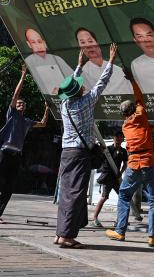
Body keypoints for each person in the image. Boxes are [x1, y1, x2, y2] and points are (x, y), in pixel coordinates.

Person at [55, 44, 117, 249]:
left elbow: (70, 88)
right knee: (75, 193)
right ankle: (67, 237)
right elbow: (102, 83)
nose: (84, 86)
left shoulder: (65, 106)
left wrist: (79, 66)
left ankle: (60, 233)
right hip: (80, 154)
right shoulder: (86, 102)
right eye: (80, 85)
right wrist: (111, 61)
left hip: (66, 152)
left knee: (66, 192)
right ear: (79, 91)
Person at [0, 64, 49, 224]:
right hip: (4, 152)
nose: (21, 105)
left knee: (9, 187)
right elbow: (16, 94)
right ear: (15, 105)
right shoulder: (12, 115)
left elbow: (43, 124)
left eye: (23, 104)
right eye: (18, 103)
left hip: (16, 156)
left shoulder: (26, 121)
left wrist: (47, 109)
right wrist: (23, 74)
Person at [105, 69, 154, 247]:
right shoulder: (141, 115)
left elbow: (141, 132)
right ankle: (153, 237)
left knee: (124, 195)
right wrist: (132, 80)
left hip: (133, 163)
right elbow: (139, 97)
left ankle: (120, 231)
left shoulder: (125, 127)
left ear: (124, 114)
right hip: (149, 161)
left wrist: (152, 127)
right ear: (134, 109)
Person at [75, 28, 132, 95]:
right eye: (83, 42)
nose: (88, 46)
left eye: (90, 41)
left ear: (97, 43)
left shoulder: (118, 68)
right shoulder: (82, 75)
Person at [91, 131, 128, 227]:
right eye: (117, 138)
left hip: (116, 177)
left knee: (122, 197)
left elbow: (125, 164)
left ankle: (120, 219)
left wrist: (121, 172)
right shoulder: (108, 149)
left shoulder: (123, 151)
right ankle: (94, 218)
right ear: (114, 138)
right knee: (104, 197)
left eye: (121, 138)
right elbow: (101, 159)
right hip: (108, 176)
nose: (119, 140)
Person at [23, 28, 74, 95]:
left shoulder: (56, 59)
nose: (39, 47)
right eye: (33, 42)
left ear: (44, 43)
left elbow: (73, 76)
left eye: (39, 41)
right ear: (29, 44)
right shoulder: (29, 62)